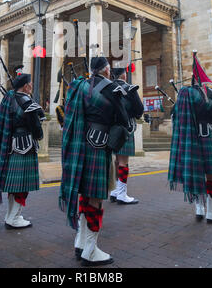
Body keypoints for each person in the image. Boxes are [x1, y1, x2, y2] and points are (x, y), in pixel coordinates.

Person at [59, 56, 129, 266]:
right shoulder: (111, 89)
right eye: (108, 67)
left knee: (85, 194)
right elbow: (125, 119)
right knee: (96, 198)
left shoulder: (79, 87)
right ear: (106, 70)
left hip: (81, 147)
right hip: (99, 148)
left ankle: (81, 242)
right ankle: (90, 250)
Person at [168, 51, 212, 223]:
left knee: (196, 174)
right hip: (209, 138)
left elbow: (174, 115)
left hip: (191, 139)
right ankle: (211, 212)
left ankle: (199, 208)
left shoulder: (185, 96)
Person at [0, 73, 44, 229]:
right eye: (30, 83)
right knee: (21, 185)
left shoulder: (8, 100)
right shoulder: (27, 103)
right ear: (25, 86)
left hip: (11, 146)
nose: (32, 85)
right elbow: (37, 130)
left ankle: (11, 215)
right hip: (25, 146)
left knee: (14, 185)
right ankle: (14, 218)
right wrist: (39, 135)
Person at [109, 67, 144, 205]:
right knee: (123, 162)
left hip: (112, 130)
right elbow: (139, 110)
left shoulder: (109, 87)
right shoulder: (129, 88)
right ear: (124, 75)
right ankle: (122, 194)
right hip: (126, 129)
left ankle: (114, 190)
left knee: (116, 161)